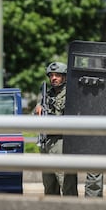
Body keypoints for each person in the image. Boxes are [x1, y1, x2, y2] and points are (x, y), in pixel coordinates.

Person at [35, 62, 78, 196]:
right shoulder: (45, 95)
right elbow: (36, 115)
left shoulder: (71, 95)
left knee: (66, 184)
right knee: (49, 185)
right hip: (46, 142)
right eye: (51, 75)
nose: (53, 78)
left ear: (65, 77)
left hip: (62, 141)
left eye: (57, 75)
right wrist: (37, 109)